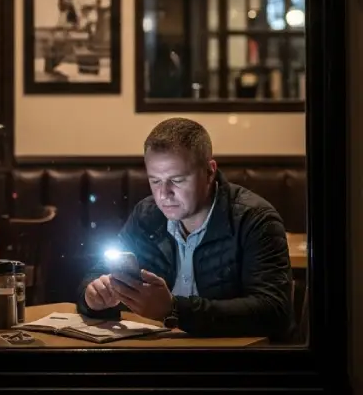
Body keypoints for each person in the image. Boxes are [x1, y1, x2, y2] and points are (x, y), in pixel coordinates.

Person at [78, 117, 293, 339]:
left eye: (177, 180)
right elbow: (97, 273)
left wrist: (173, 309)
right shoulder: (147, 214)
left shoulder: (254, 219)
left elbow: (274, 312)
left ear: (209, 172)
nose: (164, 194)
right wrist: (92, 296)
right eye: (155, 181)